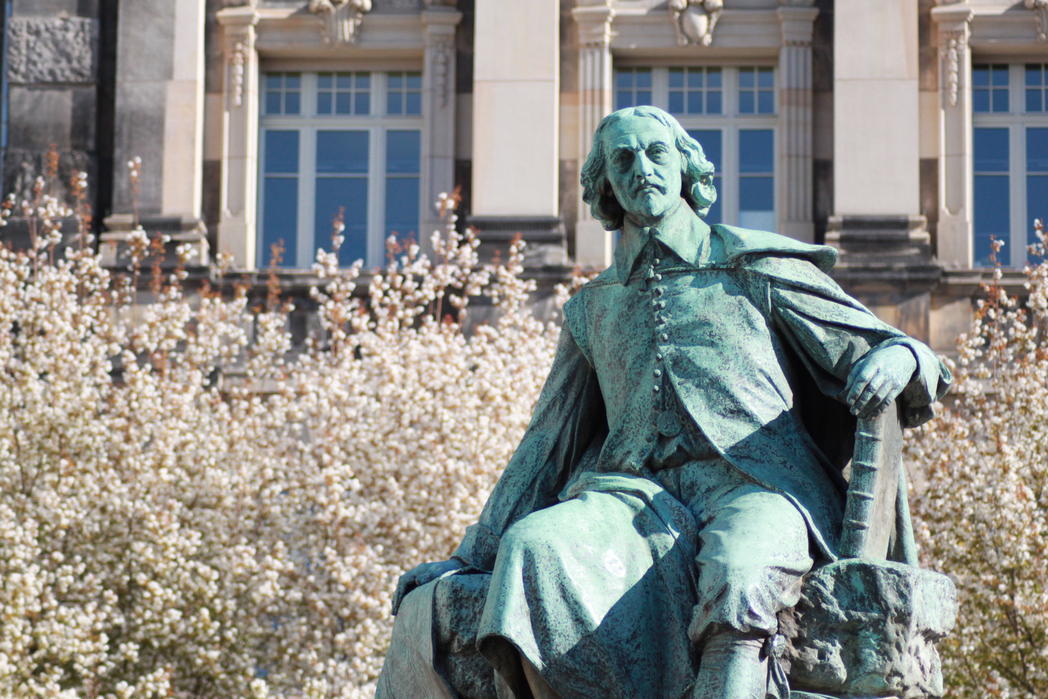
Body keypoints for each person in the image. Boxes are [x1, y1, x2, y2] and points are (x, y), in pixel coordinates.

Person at [378, 106, 951, 699]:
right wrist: (471, 556)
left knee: (739, 572)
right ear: (606, 184)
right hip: (634, 496)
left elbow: (897, 351)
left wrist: (903, 356)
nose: (640, 169)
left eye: (656, 153)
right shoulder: (592, 307)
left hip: (758, 488)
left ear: (685, 168)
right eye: (622, 159)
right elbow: (546, 445)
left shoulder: (752, 266)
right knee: (533, 547)